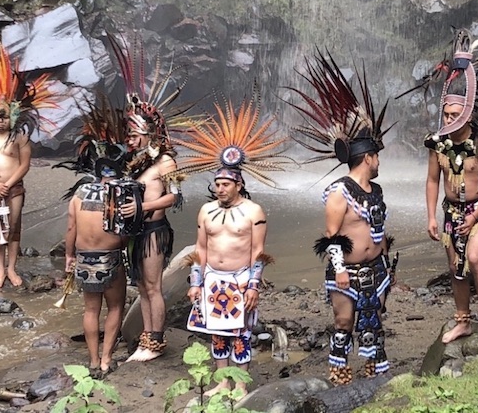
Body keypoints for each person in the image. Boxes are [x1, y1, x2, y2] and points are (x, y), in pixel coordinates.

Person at [287, 51, 393, 385]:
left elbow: (375, 227)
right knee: (344, 321)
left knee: (374, 319)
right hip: (347, 272)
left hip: (375, 268)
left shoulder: (374, 189)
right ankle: (339, 369)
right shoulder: (338, 192)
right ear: (368, 158)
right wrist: (341, 270)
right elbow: (332, 235)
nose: (379, 162)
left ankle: (374, 368)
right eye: (376, 157)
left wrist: (385, 254)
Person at [177, 96, 287, 395]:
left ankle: (240, 385)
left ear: (238, 184)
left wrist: (253, 285)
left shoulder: (254, 211)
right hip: (213, 279)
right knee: (216, 335)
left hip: (240, 280)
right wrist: (196, 283)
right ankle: (222, 382)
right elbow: (200, 249)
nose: (219, 188)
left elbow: (258, 252)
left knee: (241, 336)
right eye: (216, 184)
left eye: (225, 184)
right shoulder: (206, 211)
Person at [107, 34, 185, 362]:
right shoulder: (138, 162)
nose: (130, 140)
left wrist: (144, 206)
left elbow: (175, 200)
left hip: (154, 232)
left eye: (134, 135)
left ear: (150, 133)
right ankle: (145, 339)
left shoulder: (167, 161)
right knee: (141, 287)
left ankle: (154, 341)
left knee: (152, 286)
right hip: (137, 232)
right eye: (129, 135)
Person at [423, 29, 478, 343]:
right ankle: (462, 321)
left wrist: (476, 213)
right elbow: (432, 180)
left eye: (456, 113)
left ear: (468, 113)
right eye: (446, 113)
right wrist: (431, 216)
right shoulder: (438, 144)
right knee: (456, 266)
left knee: (474, 257)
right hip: (451, 211)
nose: (450, 118)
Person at [58, 96, 130, 378]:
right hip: (111, 258)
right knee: (115, 306)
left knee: (91, 310)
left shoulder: (78, 195)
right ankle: (106, 358)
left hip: (85, 259)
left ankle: (91, 360)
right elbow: (125, 230)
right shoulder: (120, 194)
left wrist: (68, 256)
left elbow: (71, 231)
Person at [0, 42, 57, 288]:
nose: (0, 122)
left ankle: (12, 269)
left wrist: (6, 185)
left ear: (12, 116)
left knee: (13, 227)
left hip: (13, 187)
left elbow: (24, 165)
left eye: (4, 117)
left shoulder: (20, 137)